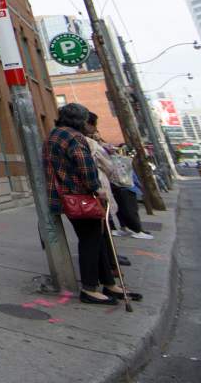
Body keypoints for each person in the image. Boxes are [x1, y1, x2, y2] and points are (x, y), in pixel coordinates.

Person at [43, 102, 138, 305]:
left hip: (66, 197)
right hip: (81, 197)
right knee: (91, 241)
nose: (88, 124)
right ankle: (89, 288)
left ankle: (109, 284)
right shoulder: (75, 138)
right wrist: (98, 190)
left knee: (99, 239)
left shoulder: (54, 135)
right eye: (86, 120)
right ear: (79, 120)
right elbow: (86, 169)